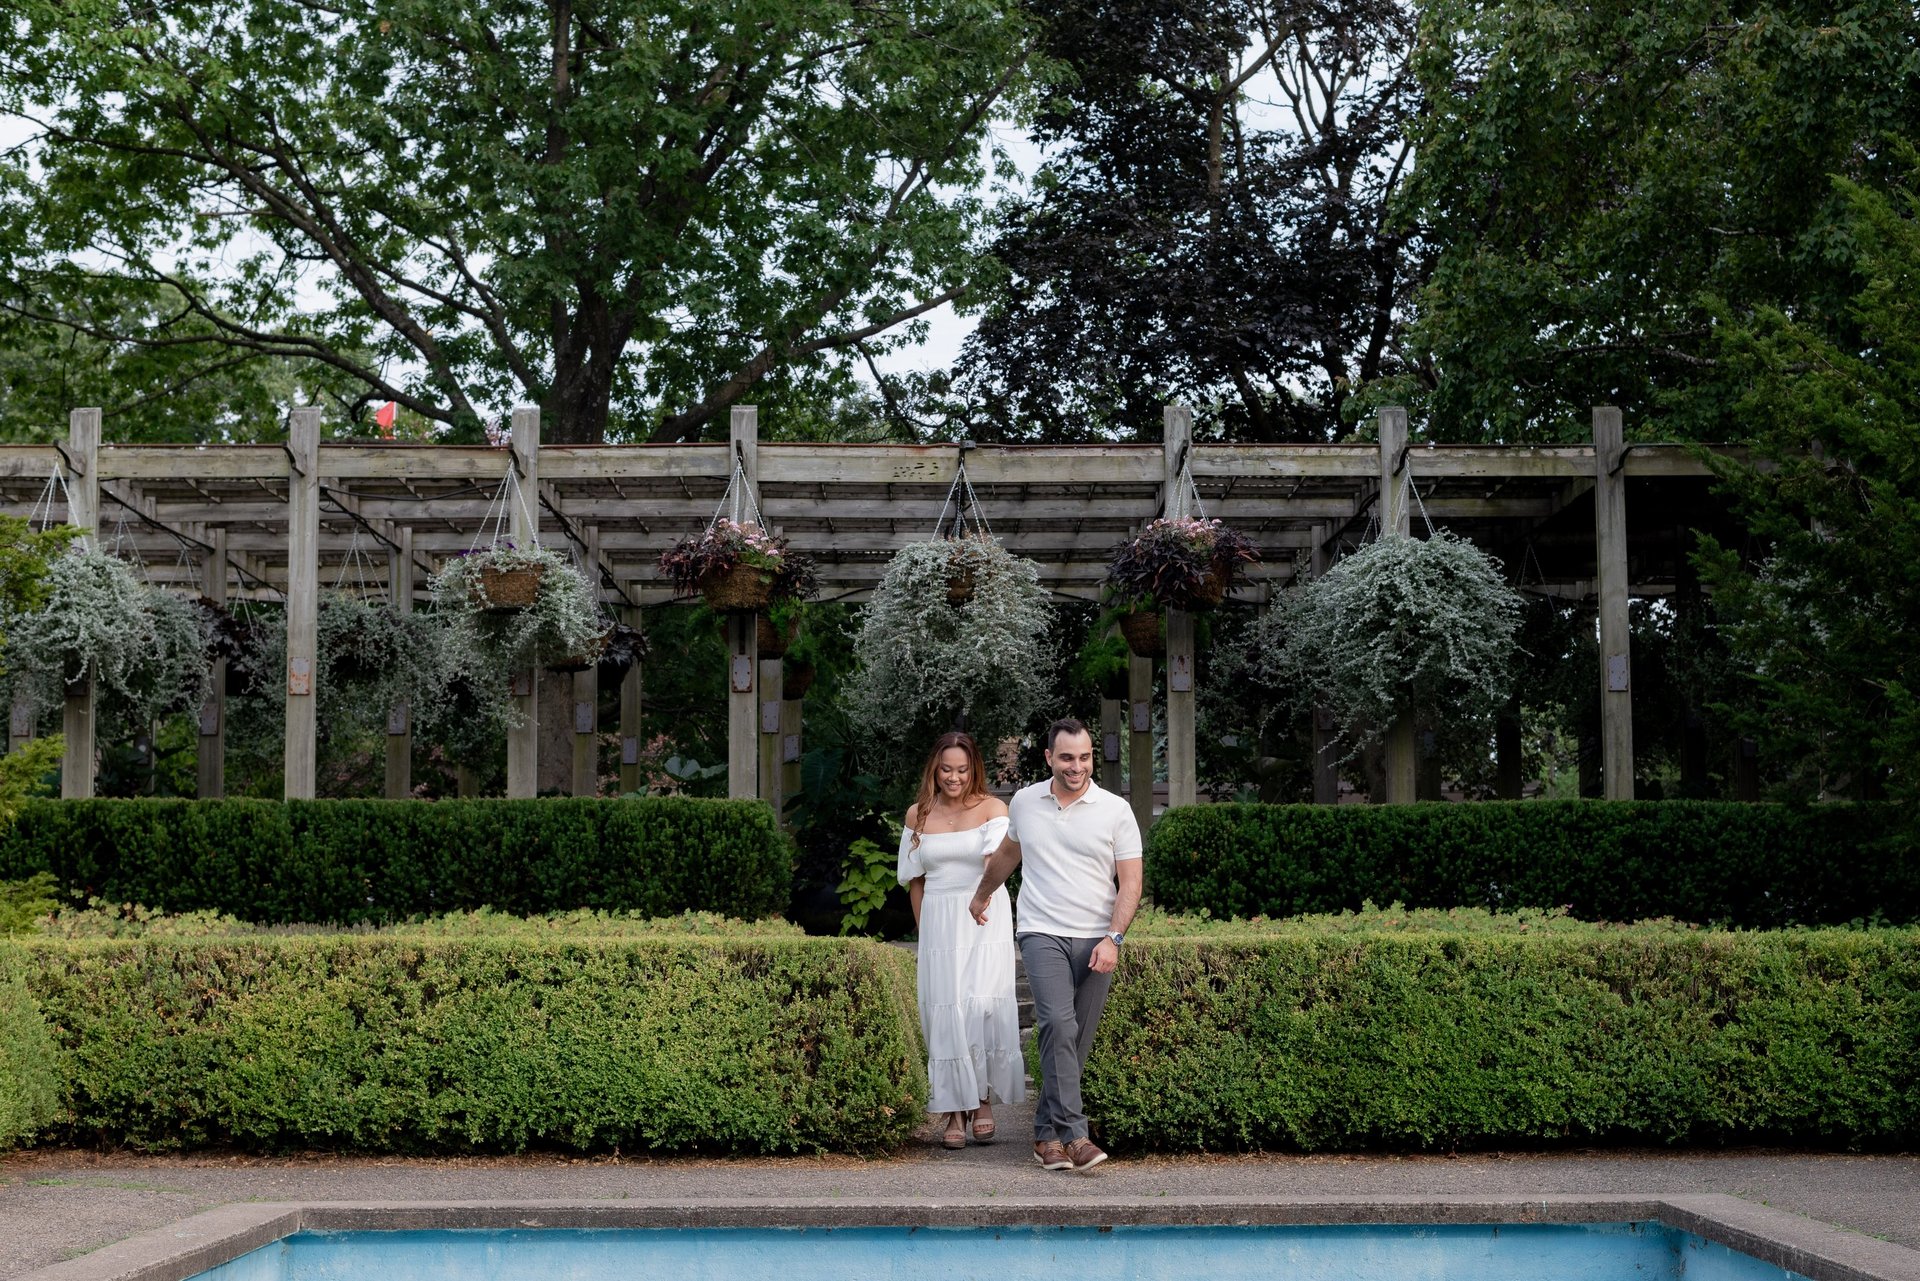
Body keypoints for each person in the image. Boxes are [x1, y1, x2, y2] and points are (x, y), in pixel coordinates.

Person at [969, 718, 1141, 1173]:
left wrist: (1114, 938)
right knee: (1058, 1025)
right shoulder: (1025, 802)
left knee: (1076, 1039)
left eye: (1084, 757)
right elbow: (1009, 853)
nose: (1076, 766)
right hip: (1041, 930)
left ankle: (1045, 1136)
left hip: (1097, 938)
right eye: (1066, 757)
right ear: (1049, 757)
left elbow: (1131, 883)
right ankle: (1076, 1137)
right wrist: (983, 893)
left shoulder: (1115, 810)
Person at [896, 731, 1025, 1149]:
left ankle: (981, 1099)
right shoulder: (917, 814)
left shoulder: (993, 808)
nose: (954, 777)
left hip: (982, 916)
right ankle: (954, 1109)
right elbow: (915, 880)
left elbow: (996, 862)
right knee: (946, 1009)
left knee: (979, 1006)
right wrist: (924, 931)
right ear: (935, 770)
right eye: (946, 769)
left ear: (974, 770)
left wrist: (982, 891)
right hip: (938, 919)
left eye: (962, 770)